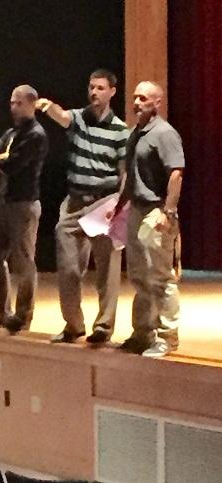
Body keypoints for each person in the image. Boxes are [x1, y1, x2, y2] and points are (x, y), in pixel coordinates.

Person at [36, 69, 129, 344]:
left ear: (112, 91)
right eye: (91, 87)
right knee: (67, 267)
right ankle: (73, 325)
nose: (94, 92)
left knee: (106, 268)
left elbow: (125, 174)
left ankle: (103, 327)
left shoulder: (120, 131)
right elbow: (62, 117)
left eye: (100, 88)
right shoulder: (79, 118)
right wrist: (49, 106)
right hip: (75, 201)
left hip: (103, 203)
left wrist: (119, 206)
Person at [111, 81, 184, 357]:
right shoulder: (136, 133)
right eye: (134, 97)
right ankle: (143, 332)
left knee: (161, 277)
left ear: (157, 103)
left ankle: (168, 336)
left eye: (143, 98)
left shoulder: (164, 134)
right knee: (140, 276)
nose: (137, 102)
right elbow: (131, 174)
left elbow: (176, 173)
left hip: (156, 211)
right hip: (137, 209)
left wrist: (169, 212)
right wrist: (120, 205)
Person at [0, 85, 48, 333]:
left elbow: (15, 163)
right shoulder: (11, 132)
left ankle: (23, 315)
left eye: (18, 103)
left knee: (23, 261)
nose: (13, 107)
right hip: (3, 202)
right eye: (11, 102)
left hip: (24, 204)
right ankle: (0, 310)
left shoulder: (36, 134)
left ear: (31, 104)